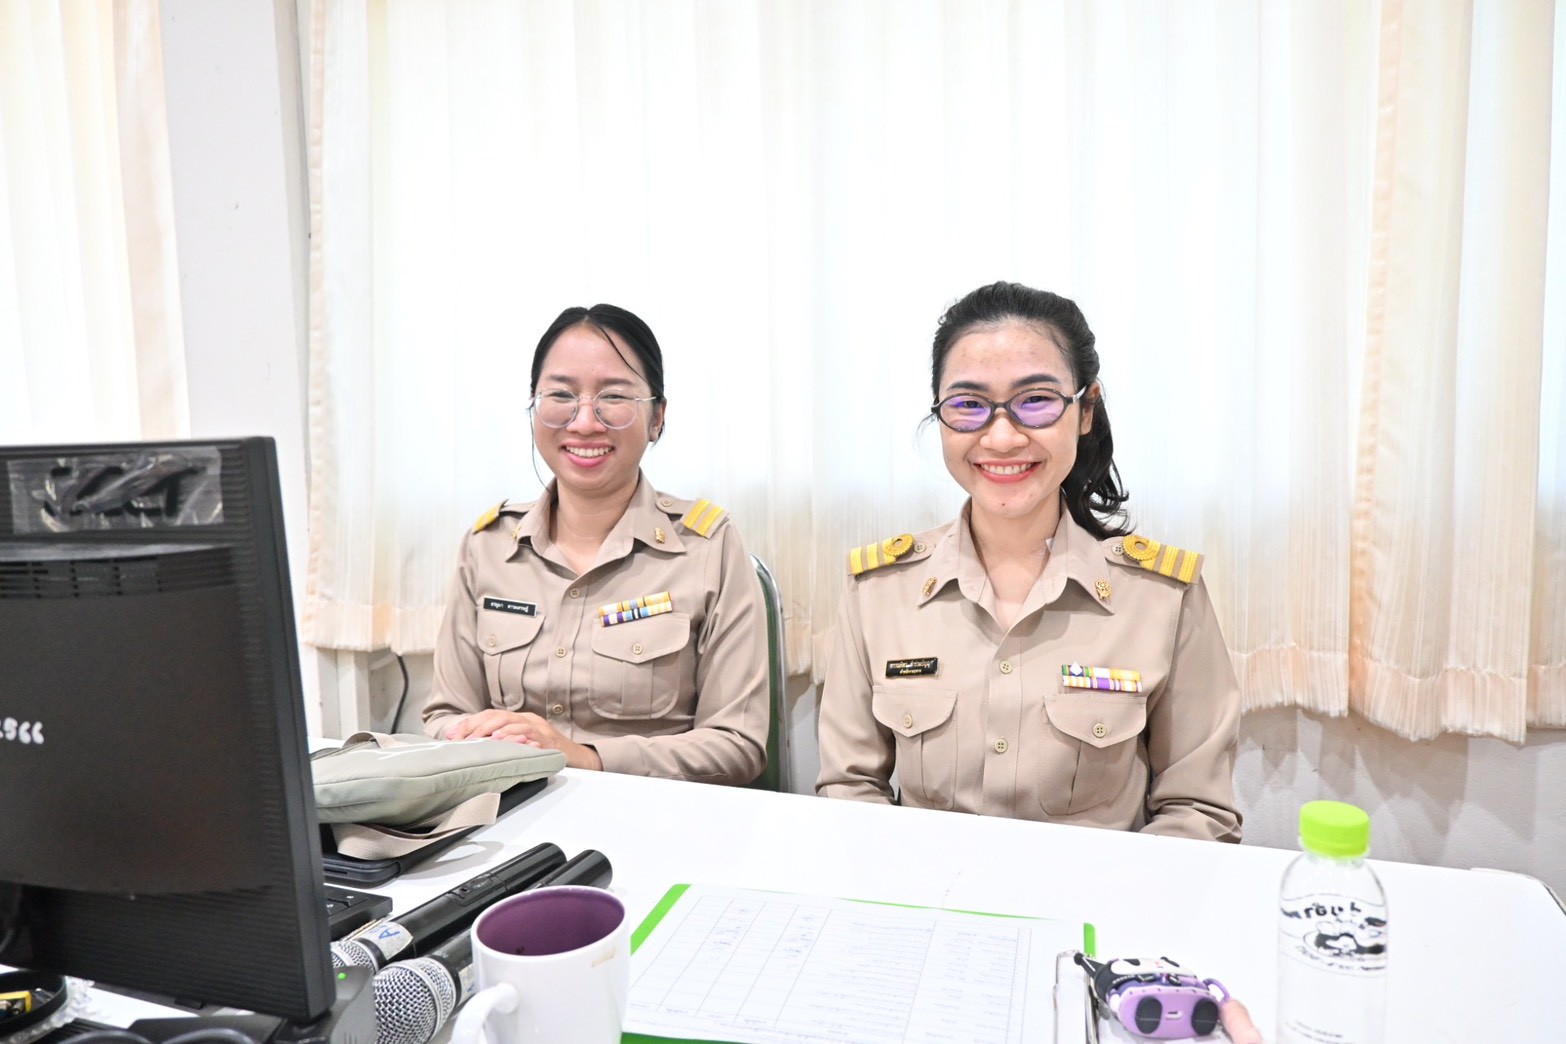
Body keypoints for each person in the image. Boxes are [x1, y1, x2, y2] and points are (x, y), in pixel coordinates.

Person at [815, 281, 1241, 841]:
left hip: (1096, 892)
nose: (1001, 437)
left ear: (1086, 410)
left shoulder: (1162, 597)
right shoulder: (879, 591)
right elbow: (849, 791)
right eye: (968, 405)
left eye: (1035, 401)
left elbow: (1198, 812)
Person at [423, 303, 769, 786]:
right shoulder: (488, 546)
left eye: (614, 397)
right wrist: (478, 738)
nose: (585, 422)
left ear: (657, 418)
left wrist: (583, 757)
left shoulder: (707, 548)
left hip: (654, 816)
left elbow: (737, 745)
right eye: (561, 395)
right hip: (510, 811)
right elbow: (445, 716)